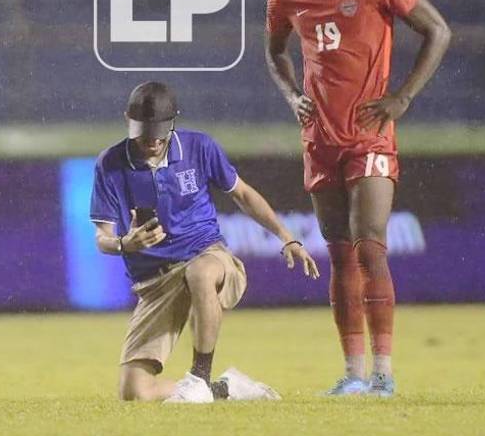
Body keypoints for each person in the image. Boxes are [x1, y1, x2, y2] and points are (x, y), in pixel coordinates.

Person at [264, 0, 452, 397]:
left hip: (369, 134)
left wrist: (403, 96)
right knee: (341, 255)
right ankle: (352, 374)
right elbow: (275, 52)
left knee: (369, 245)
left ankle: (383, 373)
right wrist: (292, 96)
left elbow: (437, 30)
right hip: (319, 140)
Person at [91, 82, 319, 403]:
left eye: (159, 132)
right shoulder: (110, 164)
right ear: (128, 119)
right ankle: (224, 388)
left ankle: (199, 376)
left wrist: (286, 236)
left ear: (173, 122)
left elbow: (243, 194)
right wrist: (125, 243)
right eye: (144, 133)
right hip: (155, 282)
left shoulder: (199, 147)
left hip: (207, 253)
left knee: (200, 271)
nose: (152, 141)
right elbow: (102, 238)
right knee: (134, 392)